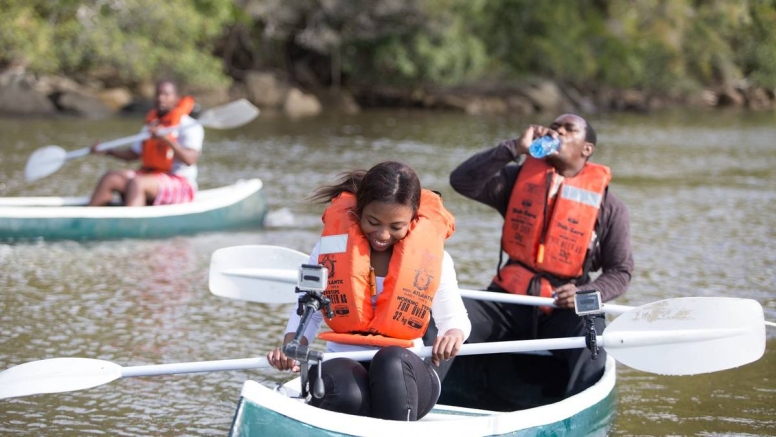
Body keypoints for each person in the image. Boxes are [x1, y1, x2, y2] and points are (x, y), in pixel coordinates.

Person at [441, 113, 633, 398]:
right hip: (508, 301)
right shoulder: (517, 178)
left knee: (593, 334)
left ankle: (576, 407)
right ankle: (421, 395)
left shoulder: (610, 207)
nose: (558, 132)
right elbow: (462, 181)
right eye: (554, 126)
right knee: (444, 317)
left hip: (562, 308)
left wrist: (585, 292)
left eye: (569, 129)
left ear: (586, 149)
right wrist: (514, 148)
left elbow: (621, 271)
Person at [267, 161, 471, 421]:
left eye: (396, 226)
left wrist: (453, 335)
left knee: (391, 362)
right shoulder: (327, 250)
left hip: (408, 374)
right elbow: (309, 311)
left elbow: (454, 319)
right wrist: (292, 346)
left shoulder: (435, 259)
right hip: (343, 366)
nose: (383, 235)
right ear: (359, 211)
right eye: (373, 222)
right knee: (346, 390)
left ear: (413, 219)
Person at [88, 80, 204, 206]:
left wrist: (166, 139)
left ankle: (131, 223)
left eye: (166, 94)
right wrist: (108, 151)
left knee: (137, 182)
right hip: (149, 175)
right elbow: (134, 154)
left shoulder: (189, 126)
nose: (161, 98)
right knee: (111, 178)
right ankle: (88, 219)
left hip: (180, 183)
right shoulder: (151, 126)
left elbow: (190, 159)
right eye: (158, 94)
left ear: (177, 99)